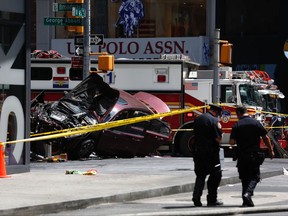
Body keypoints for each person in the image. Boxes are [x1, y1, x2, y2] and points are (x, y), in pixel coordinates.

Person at [229, 106, 274, 207]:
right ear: (246, 112)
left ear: (238, 113)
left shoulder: (237, 124)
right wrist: (271, 150)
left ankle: (245, 201)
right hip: (253, 155)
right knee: (254, 177)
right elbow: (265, 137)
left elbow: (231, 142)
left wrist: (239, 139)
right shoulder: (255, 123)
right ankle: (248, 194)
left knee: (244, 178)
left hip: (241, 156)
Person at [192, 104, 223, 207]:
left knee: (200, 175)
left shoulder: (199, 119)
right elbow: (218, 139)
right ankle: (212, 199)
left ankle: (196, 197)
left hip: (198, 151)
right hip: (211, 153)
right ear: (216, 112)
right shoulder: (214, 121)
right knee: (215, 176)